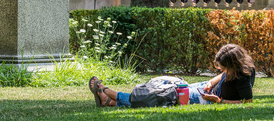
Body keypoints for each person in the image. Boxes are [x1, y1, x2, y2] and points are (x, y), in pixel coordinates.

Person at [88, 43, 255, 107]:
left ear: (235, 65)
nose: (221, 70)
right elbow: (223, 75)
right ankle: (109, 102)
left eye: (224, 68)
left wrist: (219, 101)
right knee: (164, 90)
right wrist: (211, 83)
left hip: (208, 99)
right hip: (205, 89)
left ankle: (111, 94)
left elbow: (247, 102)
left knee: (160, 97)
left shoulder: (243, 76)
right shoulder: (235, 68)